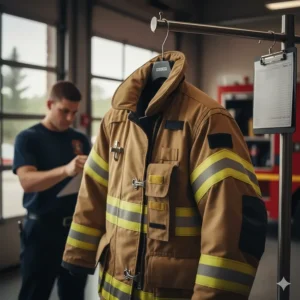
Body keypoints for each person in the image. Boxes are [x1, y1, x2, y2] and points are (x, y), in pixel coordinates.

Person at [61, 51, 267, 299]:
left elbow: (229, 218)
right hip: (113, 286)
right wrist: (78, 253)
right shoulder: (114, 120)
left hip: (172, 290)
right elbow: (92, 189)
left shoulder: (206, 119)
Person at [13, 81, 91, 300]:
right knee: (34, 294)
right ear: (49, 104)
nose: (69, 118)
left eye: (74, 113)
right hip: (41, 232)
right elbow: (27, 181)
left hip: (75, 231)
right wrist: (65, 170)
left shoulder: (80, 140)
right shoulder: (28, 138)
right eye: (64, 111)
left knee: (74, 294)